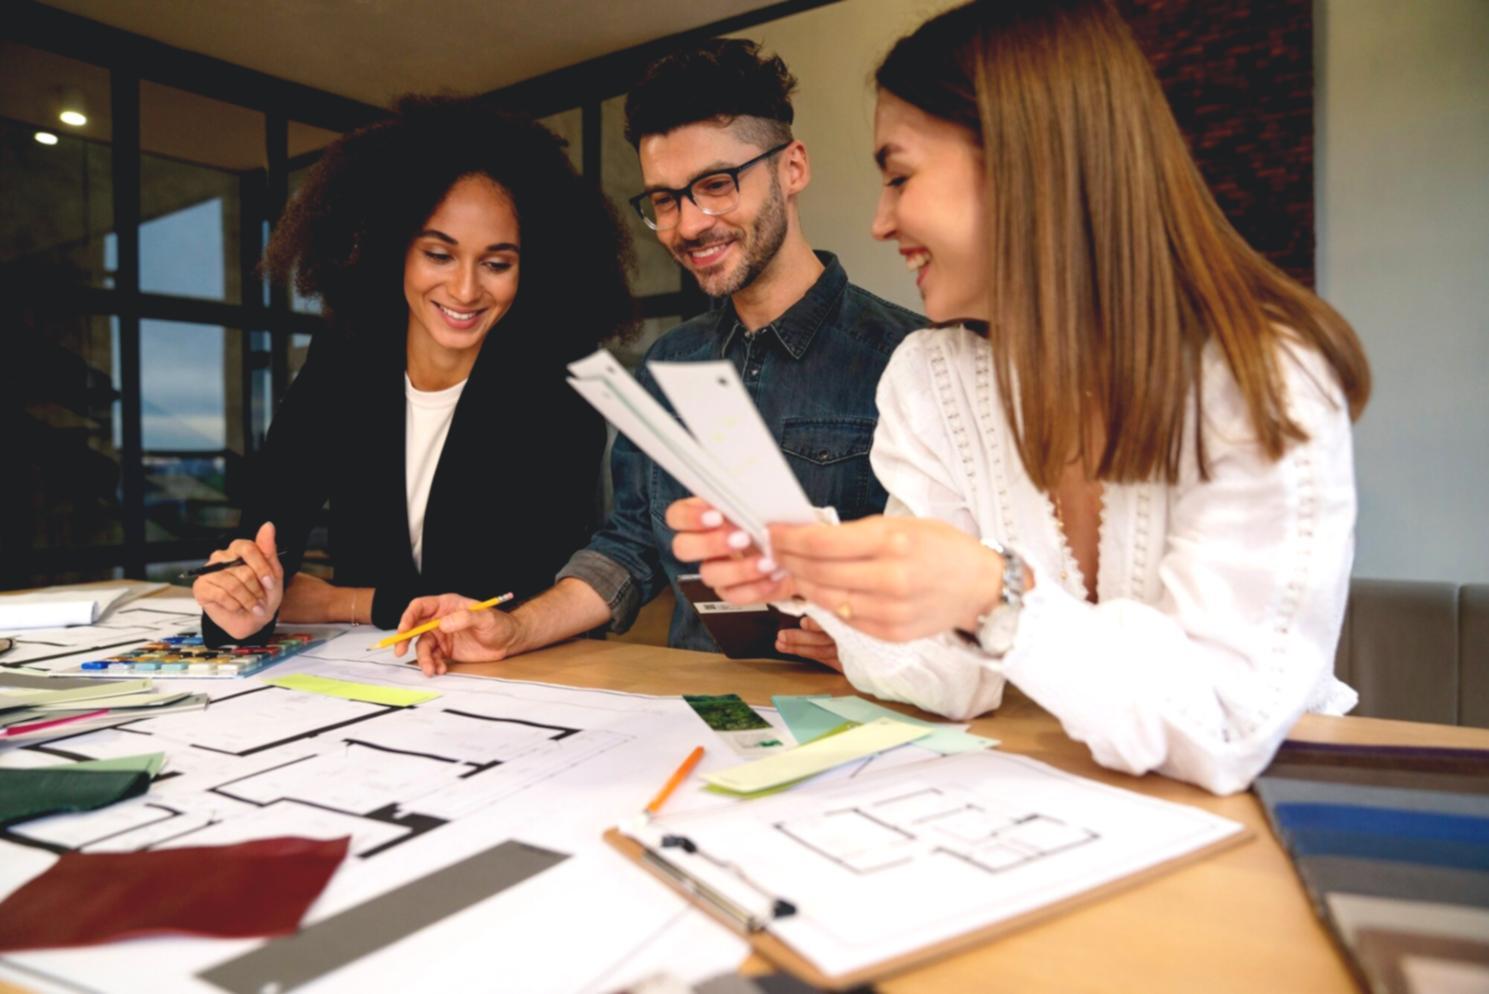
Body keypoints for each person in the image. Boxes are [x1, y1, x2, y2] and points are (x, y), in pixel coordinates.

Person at [667, 0, 1371, 795]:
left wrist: (992, 593)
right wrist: (815, 573)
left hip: (1276, 806)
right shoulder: (930, 377)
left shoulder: (1261, 374)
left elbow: (1225, 725)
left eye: (899, 176)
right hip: (1075, 795)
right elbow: (950, 681)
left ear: (1027, 162)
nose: (879, 222)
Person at [395, 40, 924, 672]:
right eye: (666, 200)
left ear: (792, 168)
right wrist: (513, 630)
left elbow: (960, 590)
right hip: (695, 705)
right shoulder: (670, 361)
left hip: (857, 713)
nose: (690, 225)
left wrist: (878, 649)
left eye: (717, 185)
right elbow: (629, 546)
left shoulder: (908, 361)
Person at [192, 96, 634, 644]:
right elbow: (265, 535)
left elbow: (508, 593)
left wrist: (340, 601)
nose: (466, 290)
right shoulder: (344, 358)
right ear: (393, 248)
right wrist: (239, 600)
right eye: (439, 255)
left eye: (497, 264)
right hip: (370, 670)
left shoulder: (557, 386)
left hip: (517, 671)